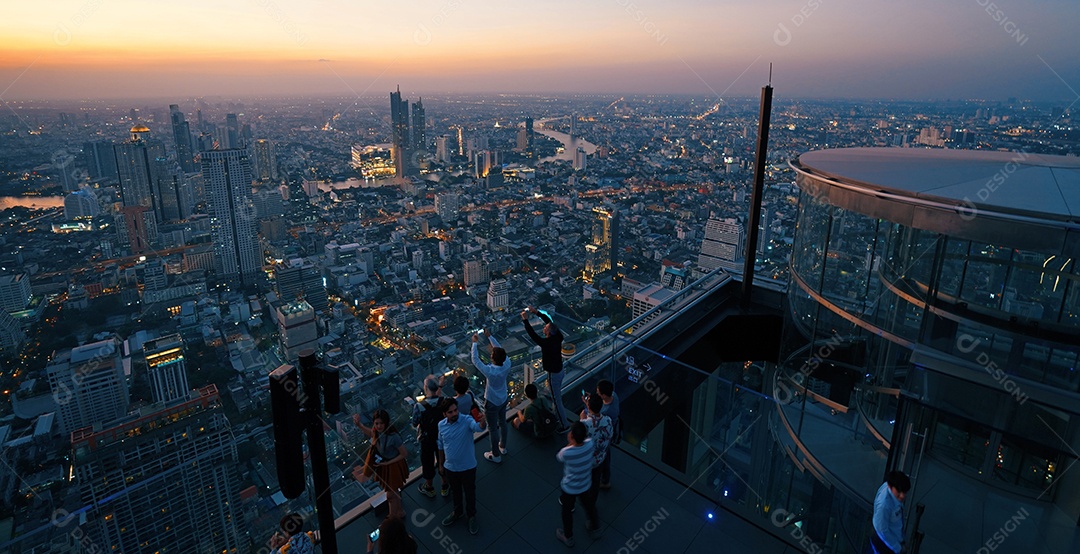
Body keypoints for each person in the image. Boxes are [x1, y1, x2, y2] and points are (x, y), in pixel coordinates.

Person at [438, 399, 486, 535]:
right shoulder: (441, 426)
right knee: (456, 492)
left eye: (455, 410)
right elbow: (440, 445)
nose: (454, 414)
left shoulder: (466, 420)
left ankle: (471, 516)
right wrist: (441, 464)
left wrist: (483, 421)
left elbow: (478, 428)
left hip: (468, 467)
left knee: (470, 492)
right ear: (444, 414)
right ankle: (457, 512)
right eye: (450, 412)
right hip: (450, 468)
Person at [353, 409, 409, 518]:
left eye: (381, 423)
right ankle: (400, 512)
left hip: (393, 466)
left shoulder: (393, 437)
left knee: (390, 495)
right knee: (394, 491)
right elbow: (371, 433)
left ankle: (392, 518)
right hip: (385, 465)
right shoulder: (377, 432)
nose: (379, 426)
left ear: (386, 423)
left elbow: (404, 453)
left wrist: (388, 463)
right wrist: (359, 425)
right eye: (376, 423)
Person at [521, 306, 570, 432]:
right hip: (560, 370)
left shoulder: (546, 343)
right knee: (556, 396)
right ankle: (557, 416)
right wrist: (536, 312)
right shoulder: (558, 337)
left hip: (553, 373)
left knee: (556, 399)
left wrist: (525, 320)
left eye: (545, 328)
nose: (544, 327)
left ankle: (564, 425)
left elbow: (532, 335)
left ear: (548, 332)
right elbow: (548, 321)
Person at [555, 421, 600, 547]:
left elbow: (559, 457)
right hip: (585, 484)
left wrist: (570, 444)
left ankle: (568, 537)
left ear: (572, 437)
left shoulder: (566, 452)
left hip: (569, 487)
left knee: (567, 512)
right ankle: (595, 528)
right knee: (589, 507)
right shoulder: (590, 444)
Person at [471, 330, 511, 463]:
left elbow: (475, 360)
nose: (491, 353)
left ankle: (495, 455)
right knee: (503, 423)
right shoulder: (507, 364)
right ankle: (503, 447)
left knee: (493, 428)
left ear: (493, 358)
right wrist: (490, 337)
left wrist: (474, 343)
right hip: (503, 398)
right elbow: (499, 349)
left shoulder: (490, 371)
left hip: (492, 401)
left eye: (492, 353)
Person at [411, 375, 449, 498]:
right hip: (441, 436)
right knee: (442, 459)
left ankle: (429, 487)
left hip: (427, 439)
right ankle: (445, 486)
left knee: (427, 461)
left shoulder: (419, 406)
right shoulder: (444, 401)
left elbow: (415, 423)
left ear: (425, 387)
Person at [580, 393, 613, 504]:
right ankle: (592, 502)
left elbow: (579, 440)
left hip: (586, 461)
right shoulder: (608, 420)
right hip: (599, 459)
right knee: (595, 481)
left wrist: (581, 419)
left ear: (588, 406)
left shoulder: (585, 424)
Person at [871, 470, 910, 554]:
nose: (902, 496)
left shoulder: (891, 486)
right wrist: (898, 548)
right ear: (890, 486)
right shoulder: (884, 505)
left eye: (904, 492)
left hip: (894, 540)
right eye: (899, 492)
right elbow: (882, 530)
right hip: (884, 545)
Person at [594, 379, 620, 489]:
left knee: (605, 456)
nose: (597, 393)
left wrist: (588, 405)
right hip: (612, 431)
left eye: (598, 393)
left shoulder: (606, 412)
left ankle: (605, 481)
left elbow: (596, 418)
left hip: (606, 436)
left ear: (604, 395)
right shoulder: (614, 395)